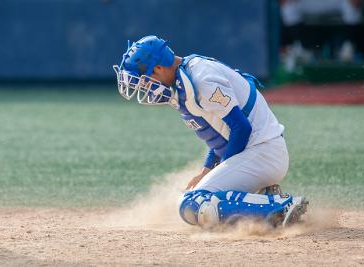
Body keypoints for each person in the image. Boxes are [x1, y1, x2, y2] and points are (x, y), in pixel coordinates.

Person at [113, 35, 308, 228]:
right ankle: (265, 200)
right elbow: (221, 135)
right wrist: (208, 170)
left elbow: (241, 128)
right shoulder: (185, 78)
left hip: (264, 152)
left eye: (145, 79)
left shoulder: (201, 79)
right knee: (197, 200)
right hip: (257, 152)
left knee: (195, 202)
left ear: (158, 68)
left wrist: (222, 170)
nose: (145, 86)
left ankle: (280, 205)